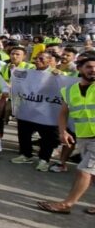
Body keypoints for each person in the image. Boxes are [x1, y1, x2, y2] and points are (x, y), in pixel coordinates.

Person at [37, 53, 95, 214]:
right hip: (83, 136)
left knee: (84, 171)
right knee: (93, 174)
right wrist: (63, 131)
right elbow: (63, 112)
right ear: (80, 69)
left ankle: (67, 204)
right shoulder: (69, 90)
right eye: (89, 67)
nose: (93, 70)